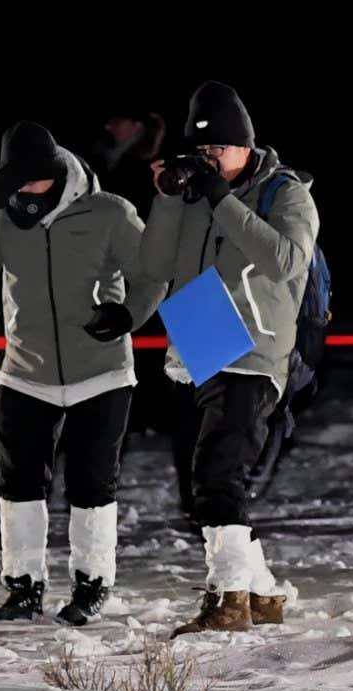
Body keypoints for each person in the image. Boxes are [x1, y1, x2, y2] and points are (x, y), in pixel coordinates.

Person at [0, 121, 165, 625]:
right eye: (17, 183)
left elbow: (154, 271)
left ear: (56, 171)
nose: (30, 191)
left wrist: (127, 315)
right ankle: (24, 587)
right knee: (20, 483)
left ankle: (92, 584)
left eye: (38, 181)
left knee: (92, 483)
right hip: (25, 372)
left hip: (102, 372)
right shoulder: (2, 215)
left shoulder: (107, 212)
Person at [138, 81, 320, 636]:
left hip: (255, 344)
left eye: (220, 149)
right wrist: (170, 196)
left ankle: (229, 601)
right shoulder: (193, 193)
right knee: (211, 482)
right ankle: (262, 595)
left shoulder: (286, 192)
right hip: (199, 338)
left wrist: (221, 198)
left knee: (218, 472)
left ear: (246, 146)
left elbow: (285, 260)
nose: (209, 160)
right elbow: (154, 263)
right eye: (202, 151)